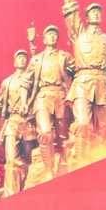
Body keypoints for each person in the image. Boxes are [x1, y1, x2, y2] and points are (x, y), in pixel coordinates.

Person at [61, 0, 106, 162]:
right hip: (83, 82)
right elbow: (70, 9)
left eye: (98, 11)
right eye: (92, 12)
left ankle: (96, 163)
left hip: (103, 84)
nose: (96, 14)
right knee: (83, 123)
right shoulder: (79, 34)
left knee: (102, 130)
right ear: (86, 17)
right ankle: (80, 161)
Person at [25, 21, 73, 176]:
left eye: (55, 34)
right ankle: (48, 170)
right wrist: (25, 101)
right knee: (45, 132)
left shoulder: (64, 56)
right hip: (43, 97)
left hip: (60, 96)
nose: (52, 37)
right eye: (49, 34)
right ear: (44, 39)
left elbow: (77, 72)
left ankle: (64, 164)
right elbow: (26, 81)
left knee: (62, 135)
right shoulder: (37, 59)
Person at [0, 48, 36, 197]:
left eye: (24, 57)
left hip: (29, 123)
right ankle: (11, 193)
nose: (22, 60)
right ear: (14, 62)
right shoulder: (7, 82)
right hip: (12, 122)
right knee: (11, 160)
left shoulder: (32, 79)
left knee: (29, 159)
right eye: (19, 57)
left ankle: (26, 188)